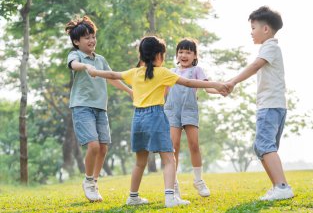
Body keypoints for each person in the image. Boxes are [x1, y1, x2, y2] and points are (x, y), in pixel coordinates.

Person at [88, 36, 227, 207]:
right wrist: (218, 84)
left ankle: (133, 197)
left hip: (138, 118)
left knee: (140, 161)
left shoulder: (135, 72)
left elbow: (112, 74)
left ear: (142, 55)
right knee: (169, 158)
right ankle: (170, 197)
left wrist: (95, 72)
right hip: (155, 116)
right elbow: (189, 82)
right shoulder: (162, 73)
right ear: (159, 55)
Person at [225, 6, 294, 201]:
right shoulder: (270, 47)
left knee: (264, 145)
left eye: (253, 27)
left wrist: (233, 81)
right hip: (274, 104)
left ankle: (282, 186)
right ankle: (277, 186)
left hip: (270, 105)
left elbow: (255, 66)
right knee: (263, 147)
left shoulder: (270, 46)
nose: (251, 32)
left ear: (265, 29)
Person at [65, 16, 133, 202]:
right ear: (76, 41)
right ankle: (88, 181)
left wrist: (129, 91)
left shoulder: (100, 59)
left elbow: (111, 77)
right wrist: (86, 65)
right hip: (82, 107)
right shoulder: (76, 55)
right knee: (93, 145)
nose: (91, 40)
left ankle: (94, 182)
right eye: (86, 37)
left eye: (93, 36)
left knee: (103, 148)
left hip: (100, 108)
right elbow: (73, 65)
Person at [164, 38, 218, 198]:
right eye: (181, 52)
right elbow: (164, 93)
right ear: (177, 54)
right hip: (171, 111)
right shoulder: (171, 72)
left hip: (189, 111)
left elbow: (208, 88)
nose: (184, 55)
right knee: (173, 147)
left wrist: (221, 89)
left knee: (194, 145)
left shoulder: (197, 70)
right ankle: (173, 185)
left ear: (195, 55)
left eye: (188, 52)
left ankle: (198, 180)